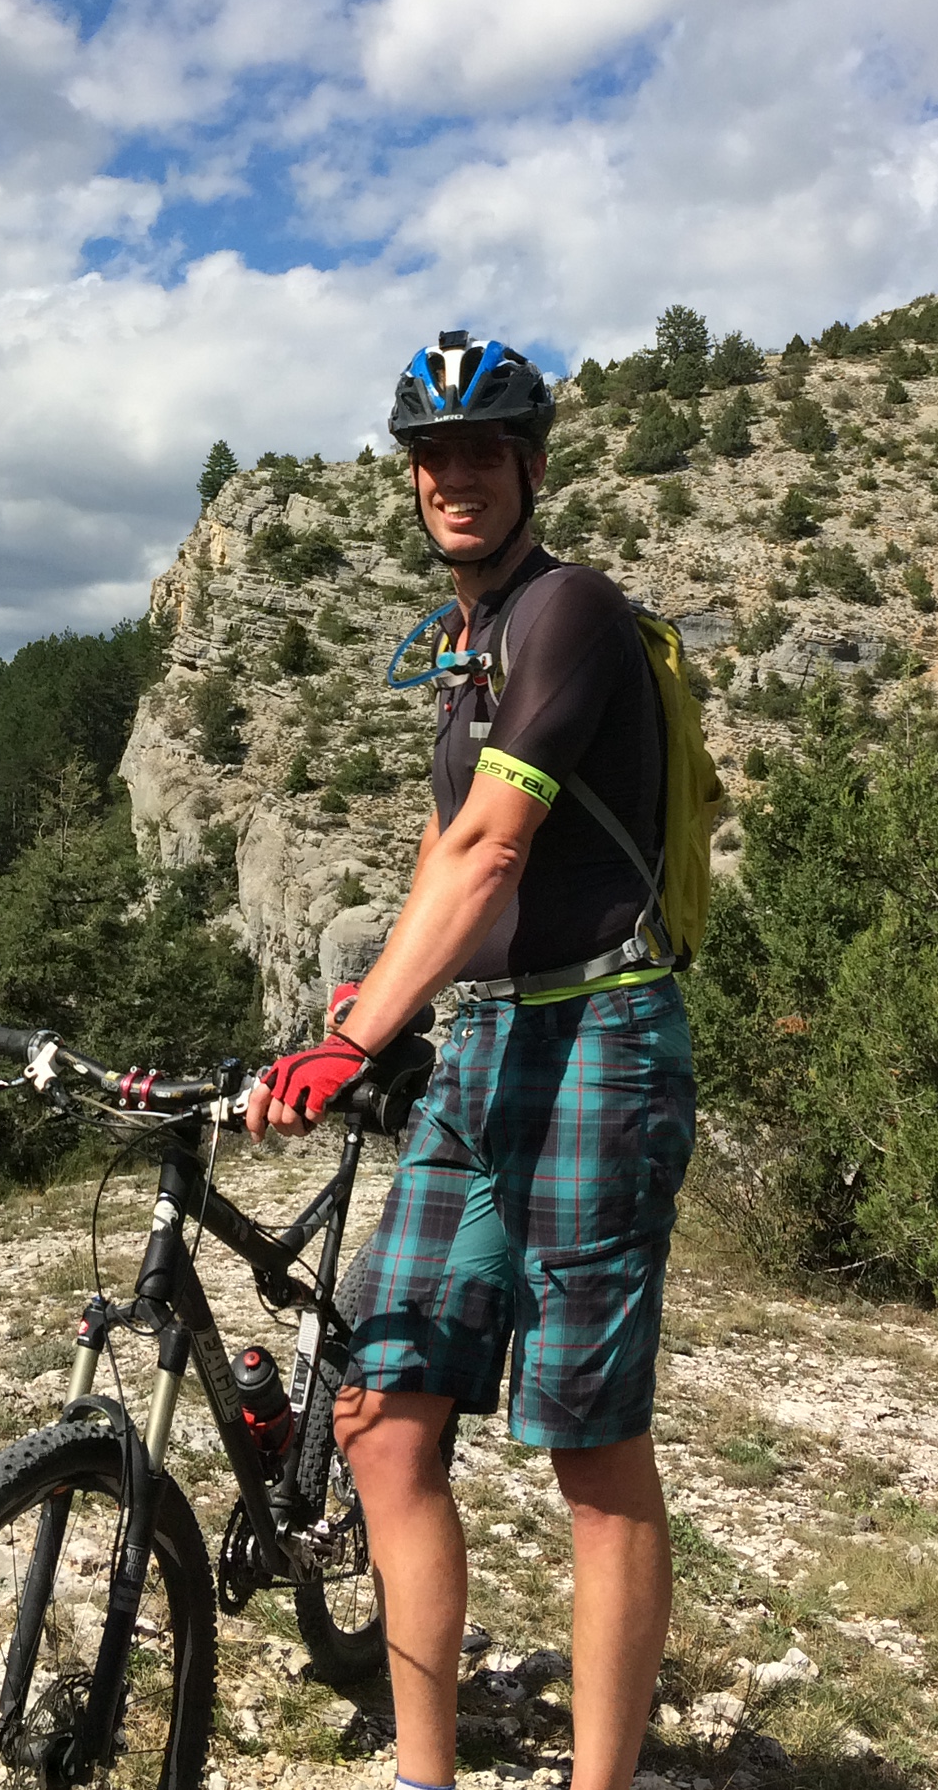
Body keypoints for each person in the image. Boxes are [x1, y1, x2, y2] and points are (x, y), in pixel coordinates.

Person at [249, 331, 699, 1790]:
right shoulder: (465, 647)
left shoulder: (567, 612)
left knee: (587, 1441)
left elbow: (502, 845)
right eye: (430, 457)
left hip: (601, 1033)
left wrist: (353, 1034)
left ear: (529, 469)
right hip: (489, 1032)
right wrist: (364, 1012)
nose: (452, 476)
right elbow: (445, 854)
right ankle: (421, 1773)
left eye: (480, 453)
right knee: (383, 1411)